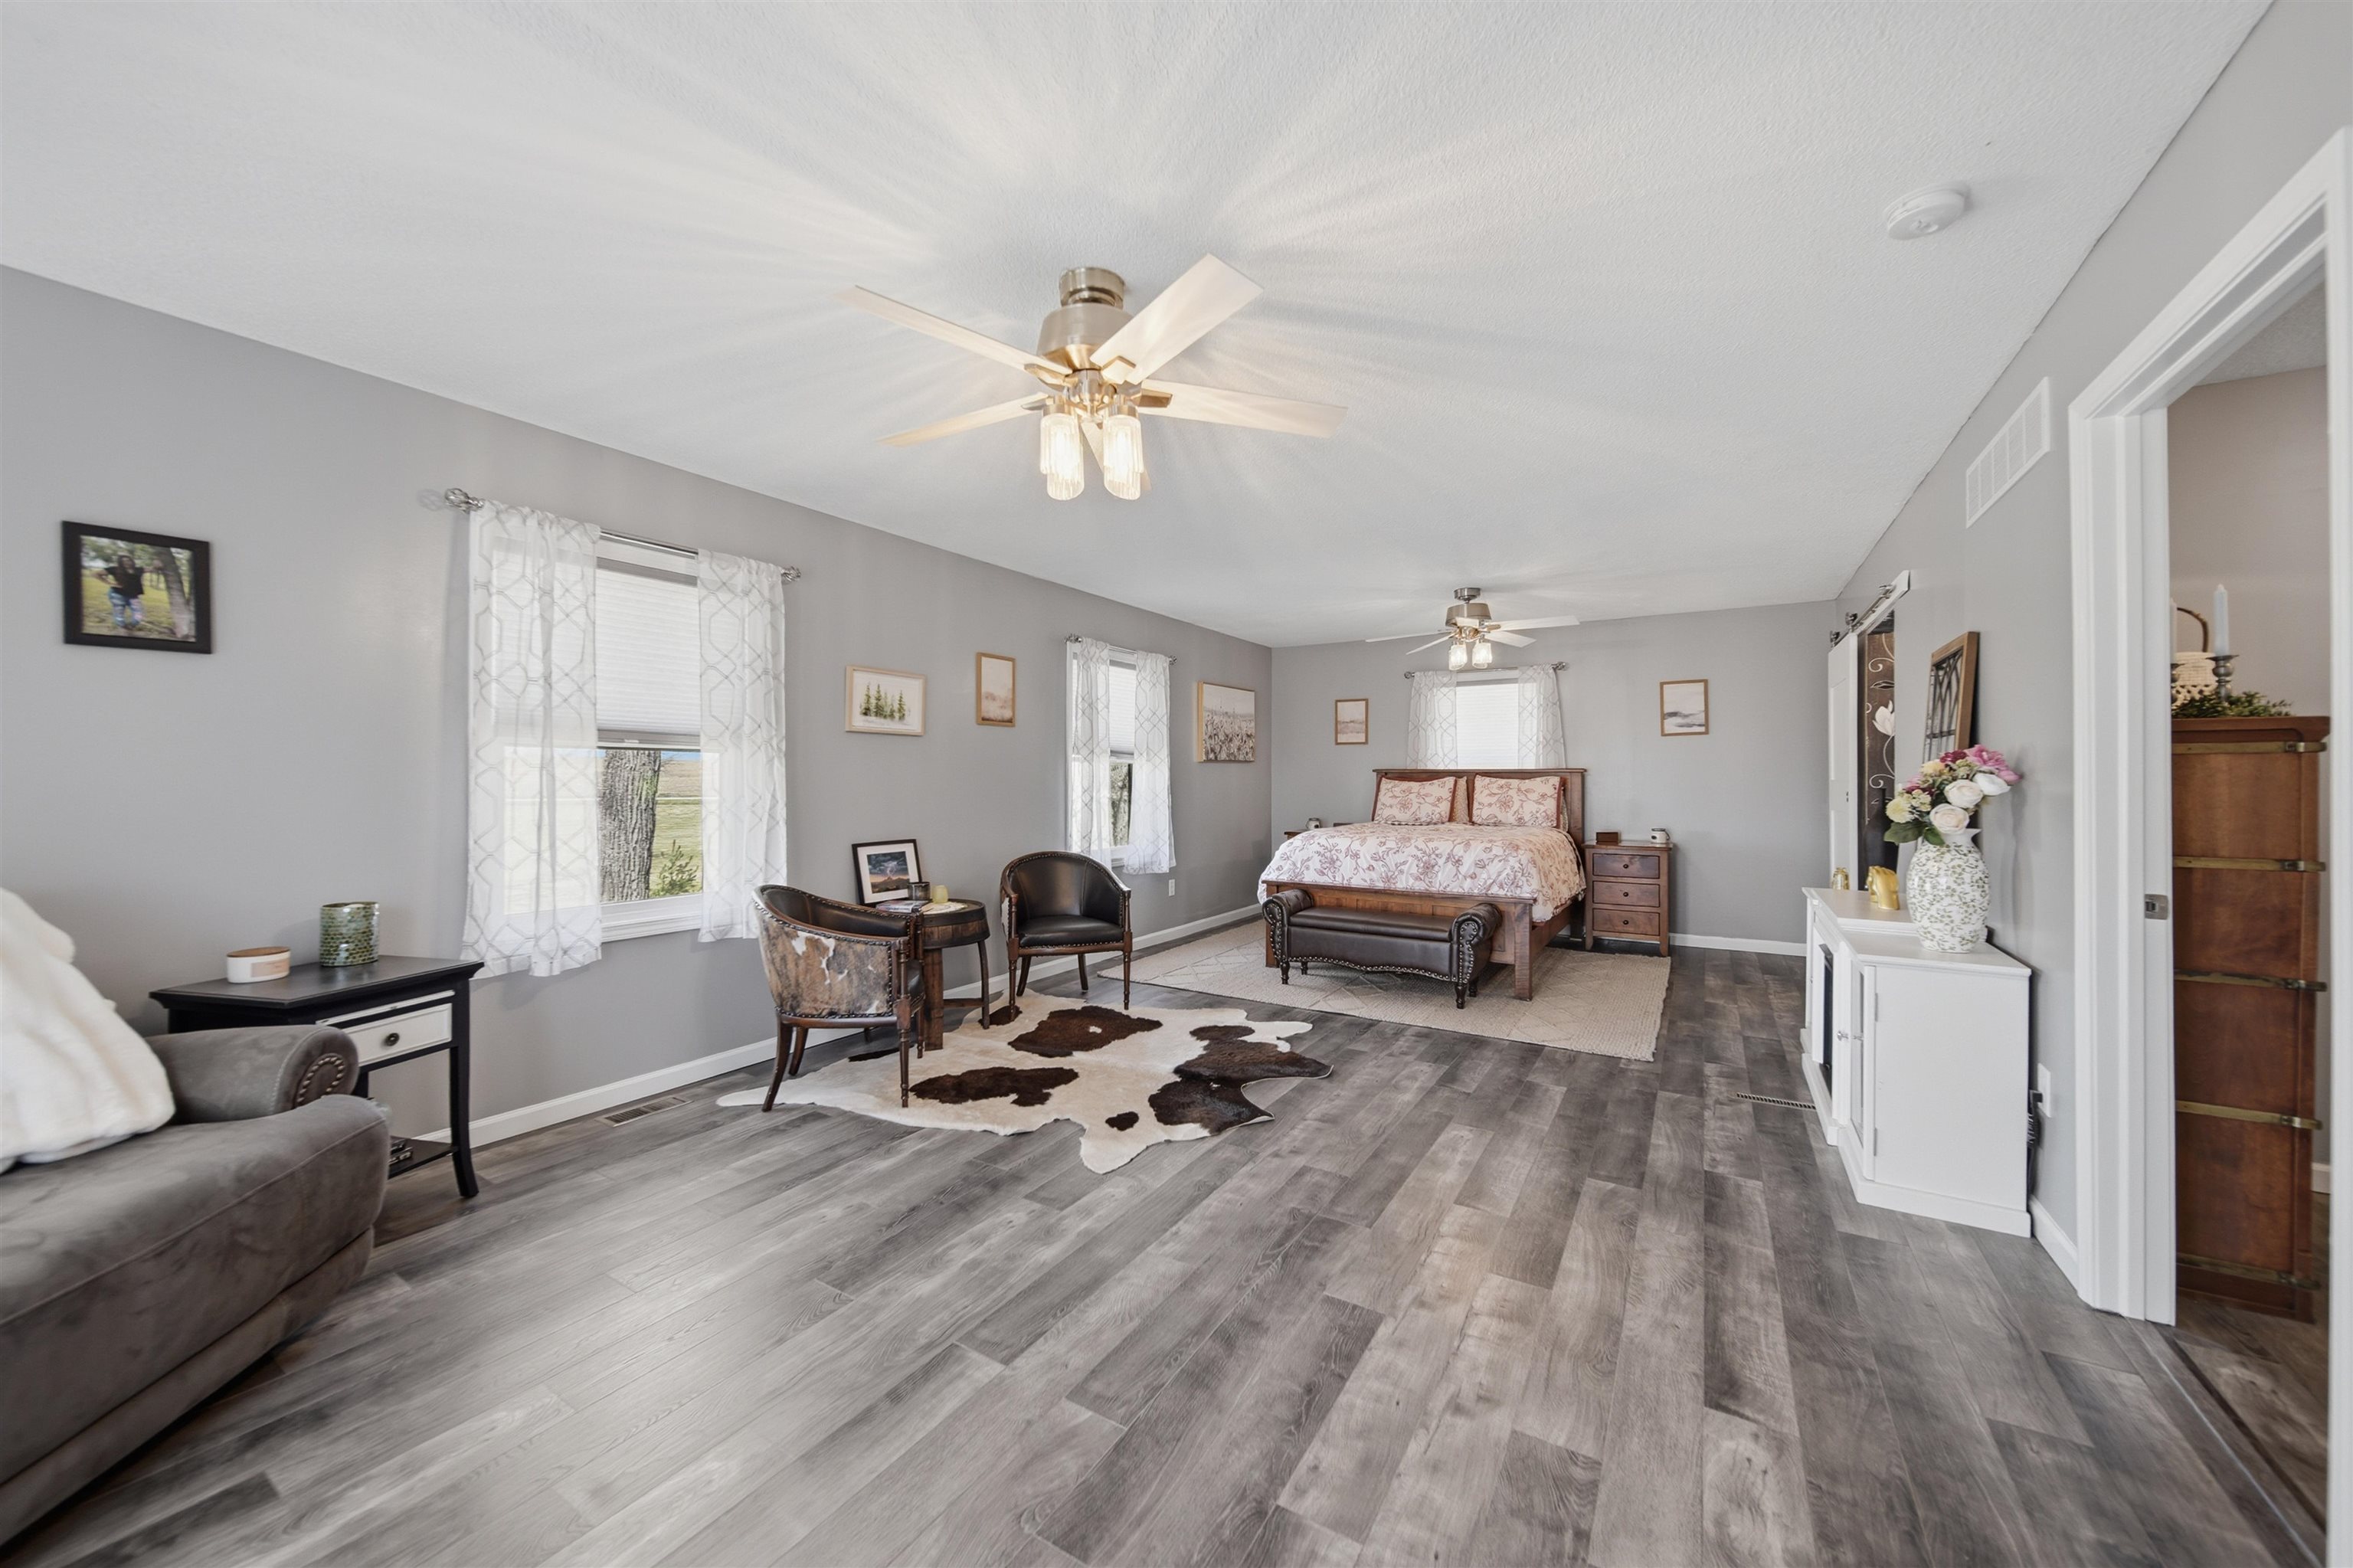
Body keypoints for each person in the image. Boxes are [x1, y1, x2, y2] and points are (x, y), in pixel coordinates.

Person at [98, 552, 146, 630]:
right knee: (119, 614)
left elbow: (152, 569)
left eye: (128, 560)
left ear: (132, 561)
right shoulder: (115, 569)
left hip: (133, 596)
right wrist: (110, 583)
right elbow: (96, 574)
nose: (126, 563)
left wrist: (157, 565)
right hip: (117, 595)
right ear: (120, 563)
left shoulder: (138, 570)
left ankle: (131, 626)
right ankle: (123, 628)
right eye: (123, 561)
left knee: (139, 614)